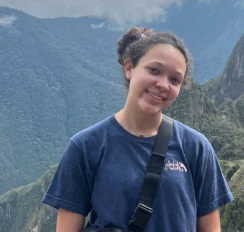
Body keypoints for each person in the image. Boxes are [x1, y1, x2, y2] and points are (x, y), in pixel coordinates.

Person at [43, 27, 234, 232]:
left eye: (174, 80)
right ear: (129, 68)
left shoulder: (196, 147)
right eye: (154, 70)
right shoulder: (86, 146)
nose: (162, 84)